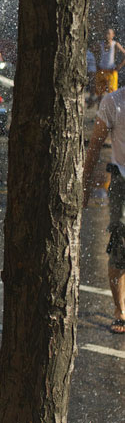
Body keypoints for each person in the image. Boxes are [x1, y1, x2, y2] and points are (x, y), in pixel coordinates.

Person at [84, 88, 125, 334]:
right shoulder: (114, 101)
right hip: (122, 180)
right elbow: (95, 144)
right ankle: (120, 309)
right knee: (120, 244)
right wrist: (86, 186)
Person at [94, 28, 125, 104]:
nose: (106, 35)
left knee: (113, 93)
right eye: (106, 33)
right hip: (101, 70)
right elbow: (93, 51)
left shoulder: (115, 44)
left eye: (108, 33)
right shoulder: (100, 44)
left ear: (113, 35)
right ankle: (99, 110)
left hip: (111, 71)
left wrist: (119, 66)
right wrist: (96, 63)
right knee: (99, 93)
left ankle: (112, 110)